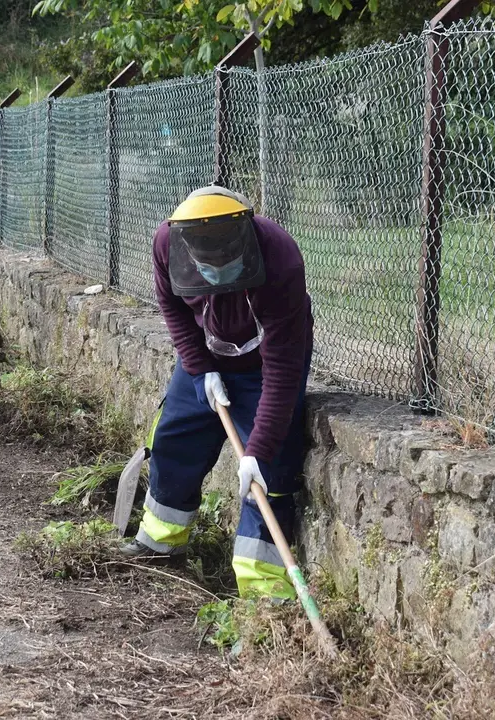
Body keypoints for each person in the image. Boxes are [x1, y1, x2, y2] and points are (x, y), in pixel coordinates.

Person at [122, 185, 314, 601]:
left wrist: (257, 451)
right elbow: (170, 306)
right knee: (173, 437)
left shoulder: (279, 257)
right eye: (207, 266)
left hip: (266, 363)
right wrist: (200, 368)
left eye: (227, 264)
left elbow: (282, 370)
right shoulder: (166, 243)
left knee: (272, 475)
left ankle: (264, 597)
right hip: (206, 354)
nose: (217, 273)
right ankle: (161, 541)